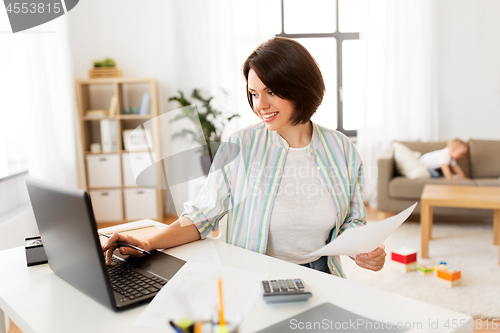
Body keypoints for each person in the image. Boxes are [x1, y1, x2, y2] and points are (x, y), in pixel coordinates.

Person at [103, 37, 386, 277]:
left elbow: (352, 221)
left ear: (300, 88)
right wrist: (148, 242)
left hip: (323, 274)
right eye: (253, 93)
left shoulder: (341, 149)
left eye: (271, 92)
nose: (260, 105)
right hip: (254, 275)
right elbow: (201, 217)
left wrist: (363, 251)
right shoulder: (241, 145)